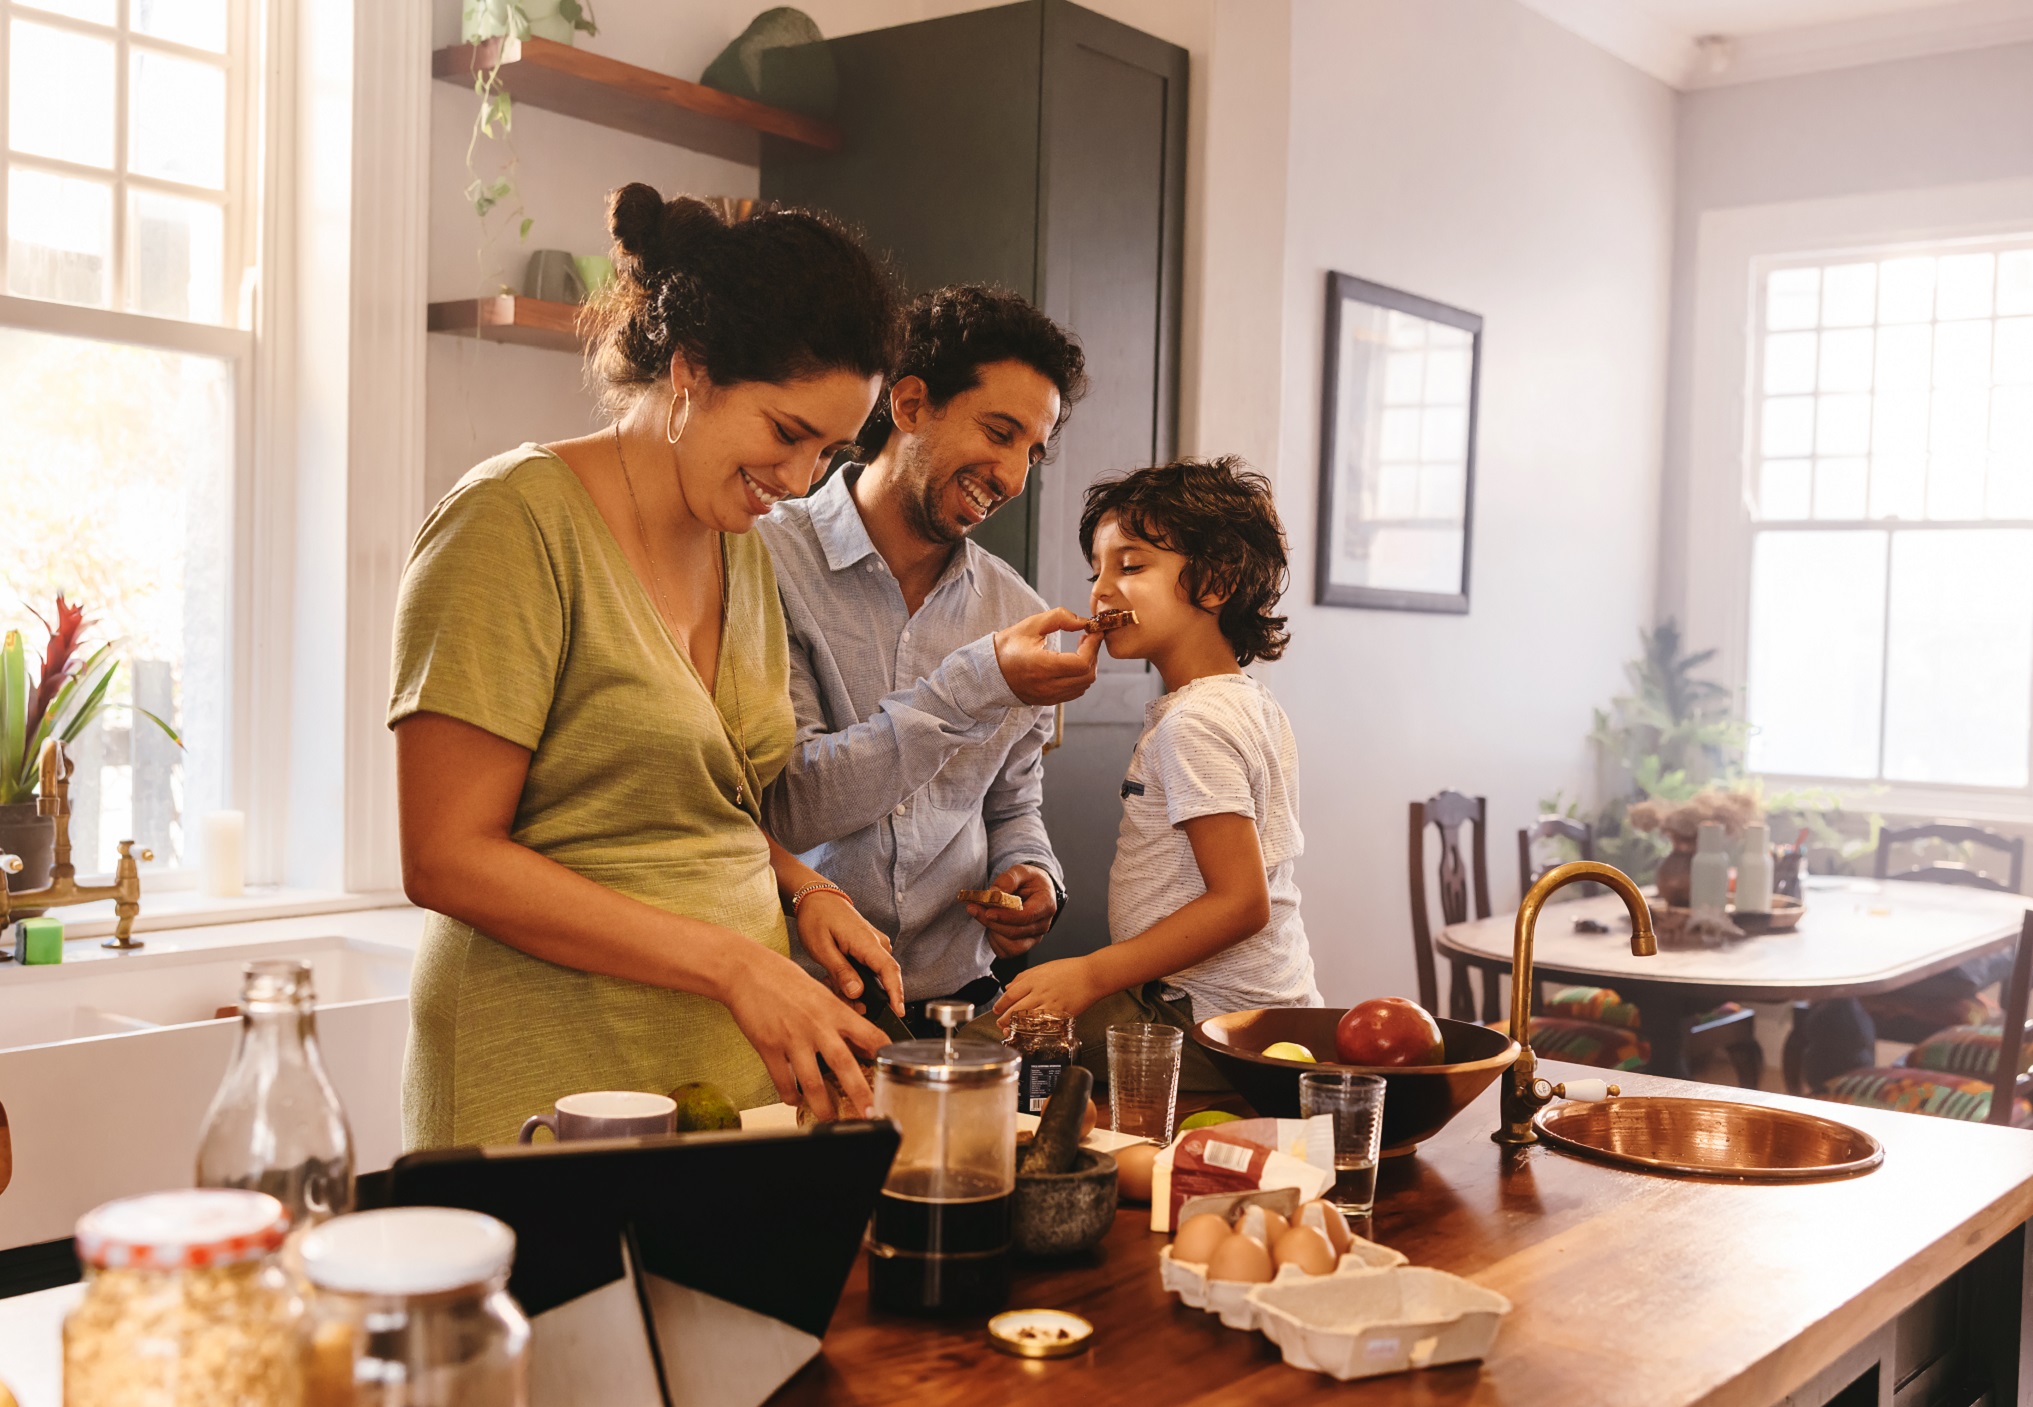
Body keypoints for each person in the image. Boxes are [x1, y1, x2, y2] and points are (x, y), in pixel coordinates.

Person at [388, 185, 908, 1149]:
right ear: (690, 369)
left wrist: (803, 887)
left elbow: (682, 802)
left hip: (723, 1083)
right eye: (787, 433)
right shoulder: (511, 522)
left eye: (830, 451)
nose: (800, 482)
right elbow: (444, 854)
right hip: (543, 1076)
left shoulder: (742, 546)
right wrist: (735, 966)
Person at [760, 286, 1095, 1034]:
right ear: (910, 404)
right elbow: (791, 803)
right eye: (999, 432)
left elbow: (1012, 805)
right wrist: (977, 682)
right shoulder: (763, 560)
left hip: (956, 1005)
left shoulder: (1014, 610)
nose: (1011, 476)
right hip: (797, 1002)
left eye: (1031, 453)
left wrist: (1035, 877)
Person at [994, 457, 1322, 1088]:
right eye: (1097, 571)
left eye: (1132, 565)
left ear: (1216, 582)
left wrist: (1089, 974)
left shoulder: (1192, 724)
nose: (1101, 590)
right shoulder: (1244, 700)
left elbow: (1241, 903)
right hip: (1246, 1013)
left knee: (986, 1059)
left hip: (1198, 1020)